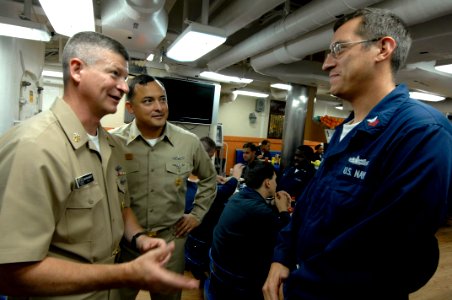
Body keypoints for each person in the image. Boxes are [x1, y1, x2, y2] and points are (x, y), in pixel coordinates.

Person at [263, 8, 452, 300]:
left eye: (338, 49)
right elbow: (313, 201)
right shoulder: (344, 129)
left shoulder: (421, 131)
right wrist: (282, 255)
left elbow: (387, 244)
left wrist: (300, 285)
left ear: (382, 48)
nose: (326, 64)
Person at [0, 31, 198, 299]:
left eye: (125, 78)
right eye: (114, 74)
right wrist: (126, 274)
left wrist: (140, 238)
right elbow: (12, 273)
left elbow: (121, 206)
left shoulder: (111, 146)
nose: (125, 86)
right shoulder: (34, 147)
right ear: (77, 70)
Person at [110, 74, 217, 300]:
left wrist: (197, 215)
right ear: (130, 107)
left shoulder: (188, 142)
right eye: (148, 101)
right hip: (126, 245)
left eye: (163, 99)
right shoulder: (113, 143)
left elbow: (209, 179)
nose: (159, 107)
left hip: (170, 244)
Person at [209, 162, 291, 300]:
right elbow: (287, 238)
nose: (276, 183)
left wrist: (273, 205)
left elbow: (258, 211)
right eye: (275, 180)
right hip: (238, 285)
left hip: (219, 275)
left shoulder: (238, 197)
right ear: (267, 183)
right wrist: (283, 210)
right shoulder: (260, 212)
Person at [184, 136, 245, 281]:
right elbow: (222, 193)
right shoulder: (198, 189)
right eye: (210, 158)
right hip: (200, 232)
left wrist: (213, 176)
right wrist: (235, 177)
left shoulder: (184, 171)